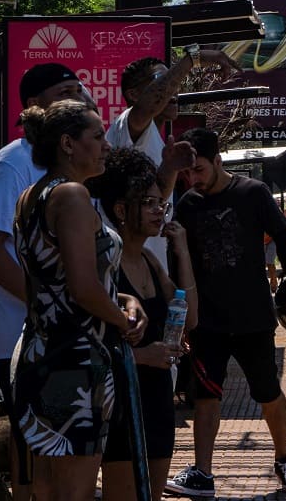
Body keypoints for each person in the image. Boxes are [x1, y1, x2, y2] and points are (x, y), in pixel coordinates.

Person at [9, 100, 148, 501]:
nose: (107, 146)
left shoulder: (30, 196)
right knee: (74, 490)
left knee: (48, 486)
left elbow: (57, 281)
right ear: (68, 144)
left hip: (41, 350)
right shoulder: (71, 196)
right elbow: (83, 289)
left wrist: (124, 300)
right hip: (75, 360)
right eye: (98, 136)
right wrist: (124, 323)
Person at [0, 63, 94, 501]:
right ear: (33, 105)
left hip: (67, 338)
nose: (78, 97)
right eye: (65, 91)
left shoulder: (71, 166)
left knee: (61, 456)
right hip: (26, 340)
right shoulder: (12, 161)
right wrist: (46, 301)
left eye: (79, 89)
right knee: (33, 459)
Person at [166, 128, 286, 497]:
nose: (193, 179)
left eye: (199, 170)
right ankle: (203, 472)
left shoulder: (253, 193)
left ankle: (283, 458)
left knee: (266, 392)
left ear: (217, 160)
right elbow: (177, 264)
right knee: (206, 396)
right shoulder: (187, 204)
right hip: (208, 322)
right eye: (188, 174)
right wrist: (180, 317)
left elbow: (284, 238)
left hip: (253, 317)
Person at [88, 148, 198, 501]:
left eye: (161, 203)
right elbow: (89, 342)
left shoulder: (150, 260)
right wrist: (142, 356)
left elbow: (189, 318)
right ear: (121, 210)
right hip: (120, 401)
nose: (158, 210)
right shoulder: (104, 266)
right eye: (148, 202)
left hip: (157, 398)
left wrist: (182, 251)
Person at [104, 50, 239, 273]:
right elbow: (149, 105)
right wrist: (194, 58)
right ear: (135, 95)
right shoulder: (128, 124)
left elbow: (156, 195)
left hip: (152, 267)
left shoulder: (157, 140)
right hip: (122, 270)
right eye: (161, 80)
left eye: (173, 81)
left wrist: (171, 167)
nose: (173, 89)